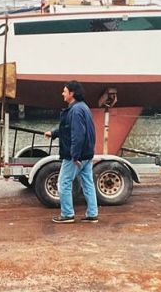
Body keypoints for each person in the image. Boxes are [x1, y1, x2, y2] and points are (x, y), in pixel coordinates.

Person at [44, 80, 99, 224]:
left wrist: (75, 156)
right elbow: (68, 129)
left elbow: (77, 135)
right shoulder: (84, 107)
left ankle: (67, 214)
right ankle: (92, 214)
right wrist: (54, 133)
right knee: (88, 183)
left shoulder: (75, 110)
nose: (62, 93)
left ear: (72, 93)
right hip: (87, 153)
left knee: (63, 183)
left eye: (64, 91)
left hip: (75, 155)